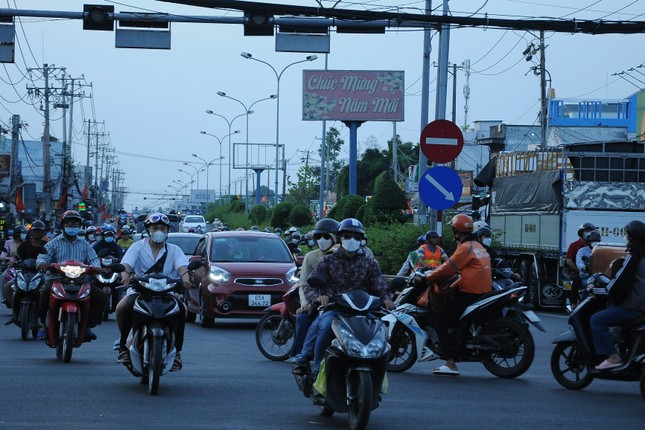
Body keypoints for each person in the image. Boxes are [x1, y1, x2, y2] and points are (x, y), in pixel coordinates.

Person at [295, 218, 394, 375]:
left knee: (380, 330)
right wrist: (319, 298)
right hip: (336, 309)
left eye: (356, 237)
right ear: (340, 238)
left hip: (362, 310)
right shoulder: (328, 260)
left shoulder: (369, 263)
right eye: (347, 236)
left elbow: (380, 284)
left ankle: (378, 375)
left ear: (362, 240)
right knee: (325, 326)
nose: (351, 240)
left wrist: (387, 299)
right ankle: (317, 369)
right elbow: (310, 284)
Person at [115, 212, 191, 371]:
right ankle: (123, 347)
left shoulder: (174, 250)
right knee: (123, 307)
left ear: (167, 231)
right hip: (140, 291)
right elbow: (127, 265)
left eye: (163, 228)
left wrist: (185, 280)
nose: (159, 231)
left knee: (182, 310)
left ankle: (176, 352)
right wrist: (125, 277)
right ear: (148, 229)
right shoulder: (137, 246)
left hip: (167, 292)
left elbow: (182, 267)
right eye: (155, 228)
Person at [420, 214, 492, 376]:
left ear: (456, 231)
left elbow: (447, 268)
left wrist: (428, 277)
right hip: (482, 291)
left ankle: (450, 363)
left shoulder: (464, 248)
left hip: (470, 293)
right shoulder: (477, 245)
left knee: (442, 324)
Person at [36, 210, 105, 341]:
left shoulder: (85, 244)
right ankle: (44, 326)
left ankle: (87, 326)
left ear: (79, 226)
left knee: (100, 296)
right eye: (69, 223)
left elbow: (94, 259)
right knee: (44, 293)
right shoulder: (53, 243)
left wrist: (97, 267)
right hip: (56, 279)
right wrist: (43, 263)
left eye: (75, 224)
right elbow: (43, 256)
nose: (72, 226)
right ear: (63, 225)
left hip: (81, 280)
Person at [591, 220, 645, 370]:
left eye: (627, 235)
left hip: (635, 308)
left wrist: (605, 289)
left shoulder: (634, 257)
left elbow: (618, 283)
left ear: (632, 238)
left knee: (596, 320)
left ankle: (613, 356)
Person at [290, 218, 339, 359]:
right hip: (316, 301)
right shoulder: (311, 257)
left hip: (340, 301)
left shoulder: (348, 257)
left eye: (326, 237)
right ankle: (301, 356)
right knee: (303, 318)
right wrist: (306, 303)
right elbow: (304, 283)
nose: (322, 240)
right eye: (319, 237)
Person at [5, 221, 47, 324]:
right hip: (24, 272)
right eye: (35, 230)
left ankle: (44, 316)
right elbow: (17, 256)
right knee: (8, 287)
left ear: (42, 233)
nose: (36, 233)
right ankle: (15, 314)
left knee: (47, 292)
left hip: (41, 273)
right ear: (31, 232)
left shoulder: (46, 245)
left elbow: (50, 257)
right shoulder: (24, 244)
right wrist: (12, 262)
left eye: (39, 231)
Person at [566, 222, 596, 309]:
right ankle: (574, 303)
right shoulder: (574, 245)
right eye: (587, 231)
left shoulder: (594, 247)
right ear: (581, 233)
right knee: (576, 279)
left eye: (591, 231)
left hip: (591, 272)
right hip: (577, 271)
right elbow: (569, 261)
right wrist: (580, 270)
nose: (589, 233)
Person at [0, 226, 26, 308]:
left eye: (25, 233)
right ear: (17, 234)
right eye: (22, 233)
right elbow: (3, 254)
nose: (23, 235)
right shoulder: (8, 242)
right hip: (12, 266)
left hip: (25, 266)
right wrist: (3, 259)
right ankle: (5, 297)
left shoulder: (27, 243)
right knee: (4, 276)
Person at [576, 229, 601, 301]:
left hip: (599, 277)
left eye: (596, 241)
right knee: (589, 287)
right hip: (587, 277)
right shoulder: (582, 251)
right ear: (588, 242)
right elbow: (579, 263)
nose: (594, 243)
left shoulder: (601, 251)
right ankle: (584, 305)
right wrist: (585, 267)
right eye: (593, 241)